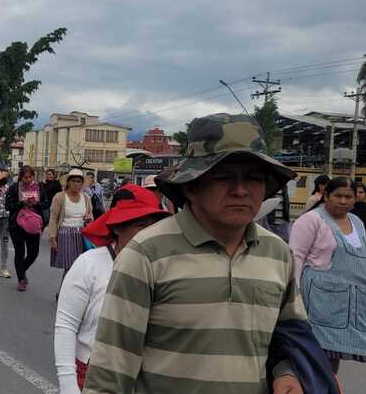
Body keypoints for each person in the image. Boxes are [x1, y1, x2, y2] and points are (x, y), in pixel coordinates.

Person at [83, 113, 313, 394]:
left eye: (253, 178)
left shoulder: (277, 253)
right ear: (192, 186)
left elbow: (289, 334)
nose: (241, 190)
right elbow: (111, 367)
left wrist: (285, 373)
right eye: (224, 178)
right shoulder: (147, 253)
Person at [54, 185, 170, 393]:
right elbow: (66, 326)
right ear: (117, 227)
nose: (148, 235)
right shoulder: (89, 264)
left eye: (153, 228)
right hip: (93, 374)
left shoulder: (164, 268)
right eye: (141, 226)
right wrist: (69, 385)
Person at [290, 176, 366, 374]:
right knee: (317, 357)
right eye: (337, 195)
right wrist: (294, 298)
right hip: (319, 302)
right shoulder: (311, 220)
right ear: (325, 196)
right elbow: (296, 257)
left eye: (348, 196)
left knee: (333, 358)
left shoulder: (357, 222)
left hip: (349, 305)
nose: (343, 201)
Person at [6, 165, 46, 291]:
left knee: (34, 253)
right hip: (17, 225)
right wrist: (22, 203)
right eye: (25, 177)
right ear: (20, 177)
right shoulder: (14, 188)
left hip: (34, 224)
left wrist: (36, 203)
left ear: (33, 177)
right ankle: (21, 279)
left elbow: (46, 203)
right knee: (20, 252)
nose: (27, 180)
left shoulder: (39, 187)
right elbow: (8, 205)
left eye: (30, 177)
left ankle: (21, 270)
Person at [49, 169, 92, 274]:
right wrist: (53, 239)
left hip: (82, 235)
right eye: (73, 181)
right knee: (69, 268)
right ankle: (64, 290)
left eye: (79, 181)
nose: (76, 184)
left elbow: (90, 215)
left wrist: (88, 220)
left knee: (81, 268)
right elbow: (54, 219)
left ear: (82, 183)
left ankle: (71, 290)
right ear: (68, 182)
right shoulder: (59, 197)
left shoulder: (86, 198)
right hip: (65, 234)